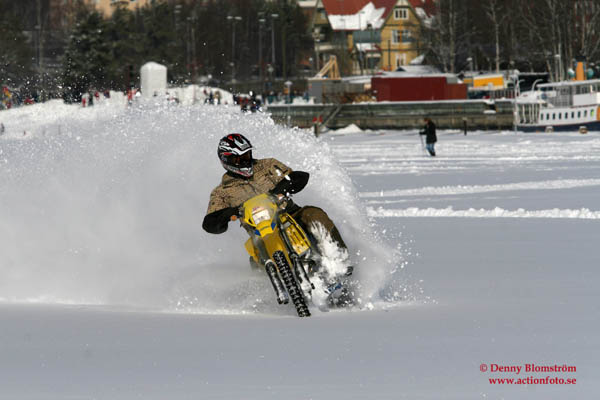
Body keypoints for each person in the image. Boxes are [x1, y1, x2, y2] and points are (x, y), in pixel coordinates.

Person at [202, 134, 348, 254]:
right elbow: (210, 222)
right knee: (253, 258)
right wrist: (230, 213)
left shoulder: (268, 165)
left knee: (314, 214)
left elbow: (298, 177)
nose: (246, 160)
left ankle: (340, 258)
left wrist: (279, 191)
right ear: (227, 160)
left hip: (290, 214)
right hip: (258, 231)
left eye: (247, 155)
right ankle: (267, 286)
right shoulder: (221, 192)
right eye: (240, 158)